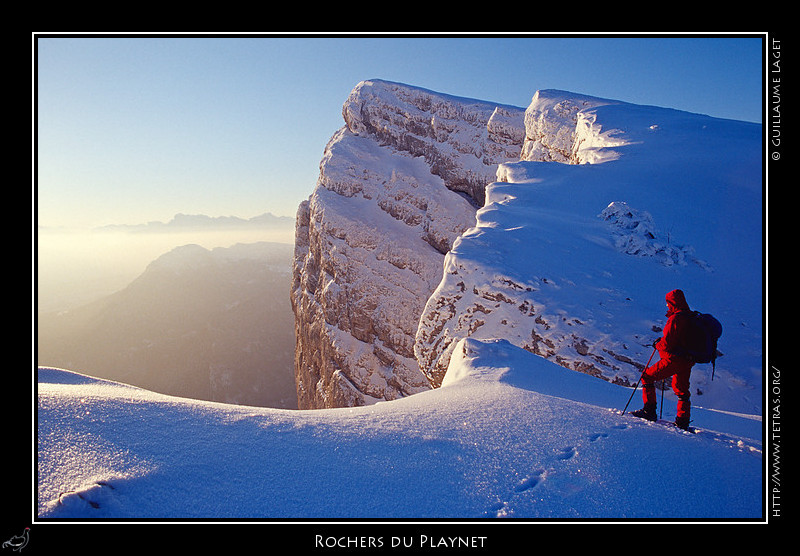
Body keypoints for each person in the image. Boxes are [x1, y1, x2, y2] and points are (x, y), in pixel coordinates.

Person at [630, 289, 695, 430]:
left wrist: (658, 344)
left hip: (674, 359)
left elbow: (667, 343)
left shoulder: (676, 318)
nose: (667, 306)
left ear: (673, 302)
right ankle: (683, 421)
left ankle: (649, 411)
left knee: (647, 376)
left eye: (668, 303)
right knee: (682, 390)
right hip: (688, 360)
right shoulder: (692, 317)